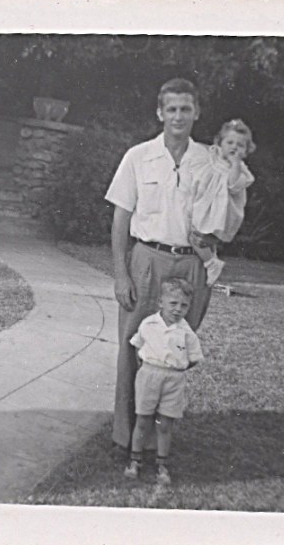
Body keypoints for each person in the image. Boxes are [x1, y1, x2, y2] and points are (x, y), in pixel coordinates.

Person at [104, 78, 213, 450]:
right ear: (159, 113)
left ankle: (156, 442)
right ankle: (126, 440)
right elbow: (121, 218)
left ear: (196, 112)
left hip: (190, 267)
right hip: (146, 262)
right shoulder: (138, 156)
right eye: (171, 109)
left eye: (186, 109)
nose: (178, 116)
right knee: (134, 350)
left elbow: (226, 217)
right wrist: (121, 273)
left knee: (173, 352)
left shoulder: (210, 161)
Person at [123, 277, 203, 484]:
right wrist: (146, 366)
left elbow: (193, 359)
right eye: (173, 303)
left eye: (184, 306)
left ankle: (162, 464)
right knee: (142, 419)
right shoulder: (148, 324)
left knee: (165, 423)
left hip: (173, 380)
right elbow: (136, 345)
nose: (178, 309)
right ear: (160, 302)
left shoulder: (187, 333)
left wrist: (176, 367)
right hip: (149, 375)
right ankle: (135, 461)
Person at [189, 119, 257, 286]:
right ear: (220, 143)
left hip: (220, 213)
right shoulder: (212, 156)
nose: (234, 147)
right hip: (205, 207)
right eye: (230, 142)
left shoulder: (241, 169)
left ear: (246, 150)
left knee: (195, 237)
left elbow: (233, 185)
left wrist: (235, 164)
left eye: (240, 145)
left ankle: (212, 263)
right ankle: (211, 260)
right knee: (196, 233)